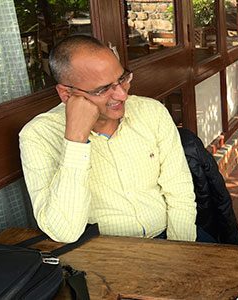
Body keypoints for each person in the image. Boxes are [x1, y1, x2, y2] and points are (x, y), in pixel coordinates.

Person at [19, 35, 197, 243]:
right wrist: (76, 140)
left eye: (122, 79)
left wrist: (180, 251)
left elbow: (180, 191)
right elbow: (64, 231)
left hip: (168, 238)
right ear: (67, 94)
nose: (122, 95)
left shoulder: (151, 112)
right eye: (103, 89)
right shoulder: (38, 136)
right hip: (103, 253)